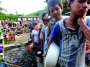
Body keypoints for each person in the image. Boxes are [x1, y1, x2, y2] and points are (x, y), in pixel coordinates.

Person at [48, 0, 90, 67]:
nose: (86, 5)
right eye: (81, 1)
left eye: (88, 3)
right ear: (69, 5)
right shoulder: (59, 25)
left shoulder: (87, 22)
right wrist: (49, 56)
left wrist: (81, 23)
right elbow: (50, 40)